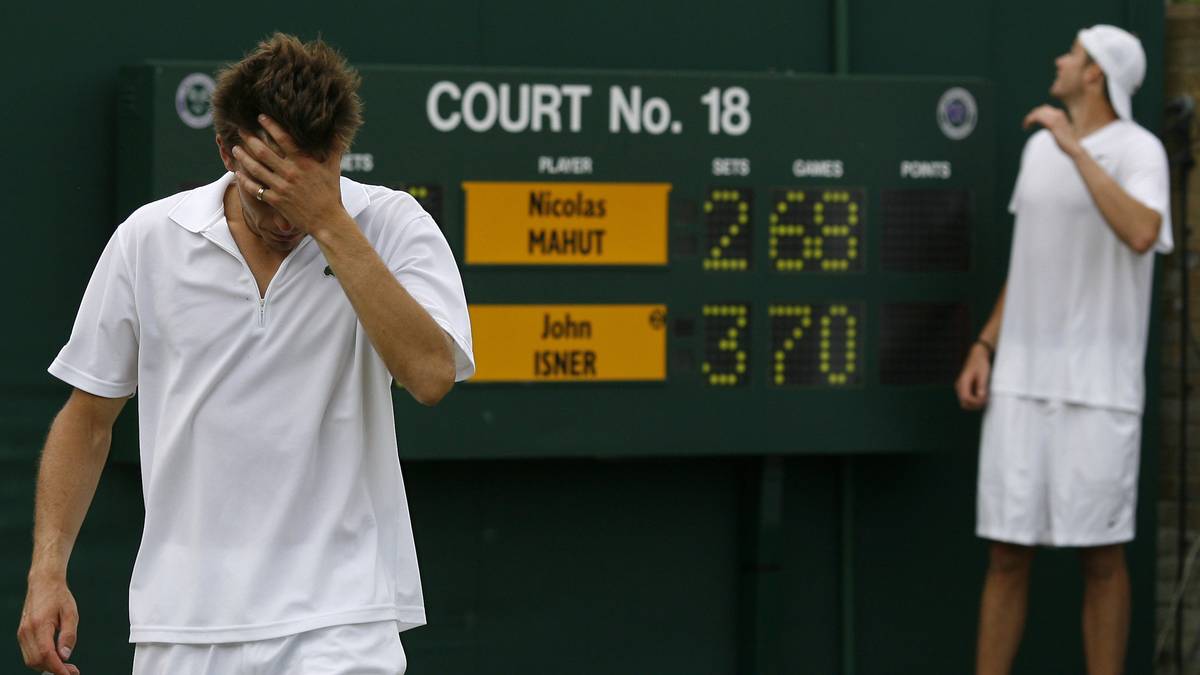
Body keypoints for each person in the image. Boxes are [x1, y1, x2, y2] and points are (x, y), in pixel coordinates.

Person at [17, 33, 474, 675]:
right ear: (224, 151)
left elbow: (431, 375)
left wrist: (330, 223)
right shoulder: (147, 240)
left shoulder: (393, 226)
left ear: (338, 154)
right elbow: (88, 419)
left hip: (342, 620)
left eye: (307, 180)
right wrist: (47, 570)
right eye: (266, 185)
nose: (285, 213)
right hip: (180, 627)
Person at [955, 25, 1171, 675]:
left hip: (1099, 391)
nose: (1058, 59)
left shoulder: (1140, 150)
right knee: (1005, 554)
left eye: (1072, 54)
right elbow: (1031, 262)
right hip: (1020, 383)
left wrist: (1075, 149)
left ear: (1095, 75)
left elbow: (1141, 232)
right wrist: (986, 343)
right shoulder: (1039, 152)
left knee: (1101, 558)